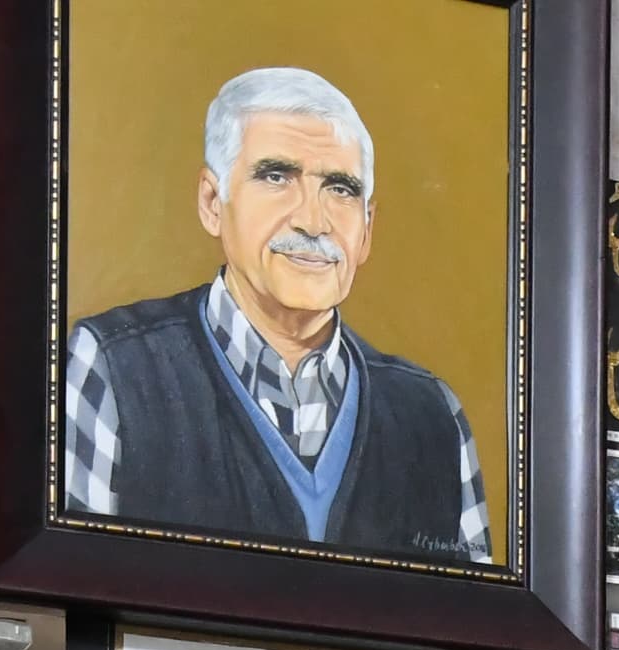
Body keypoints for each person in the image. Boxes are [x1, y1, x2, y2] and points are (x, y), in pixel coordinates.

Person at [60, 66, 486, 563]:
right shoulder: (113, 367)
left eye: (341, 188)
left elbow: (480, 626)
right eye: (277, 176)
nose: (312, 219)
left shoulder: (432, 415)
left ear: (367, 229)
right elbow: (76, 589)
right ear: (212, 202)